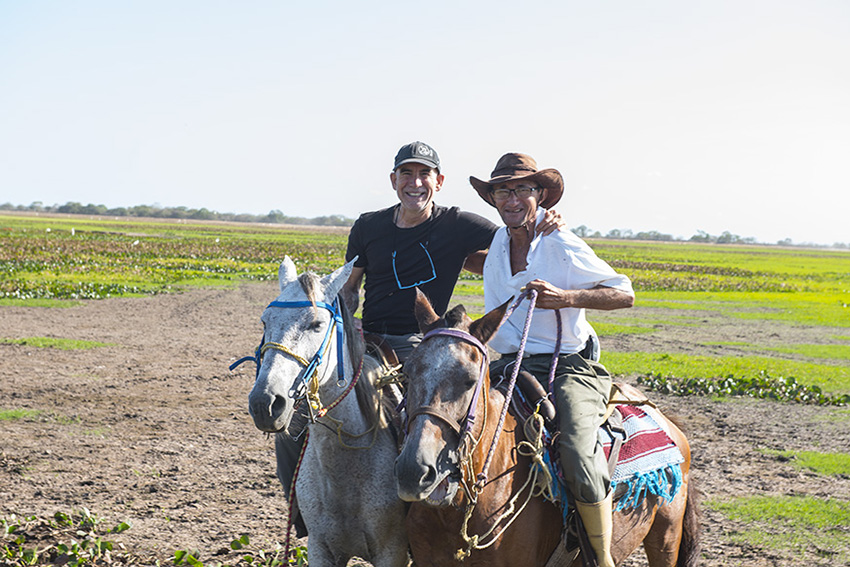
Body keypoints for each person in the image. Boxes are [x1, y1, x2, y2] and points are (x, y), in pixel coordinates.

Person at [470, 152, 634, 567]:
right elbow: (476, 262)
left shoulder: (560, 243)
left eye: (522, 189)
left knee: (577, 452)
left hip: (567, 365)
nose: (511, 198)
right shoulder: (497, 241)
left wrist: (566, 298)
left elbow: (623, 293)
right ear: (492, 198)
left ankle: (600, 556)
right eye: (502, 190)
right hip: (509, 363)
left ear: (539, 194)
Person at [341, 141, 562, 362]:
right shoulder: (368, 226)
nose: (415, 183)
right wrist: (348, 322)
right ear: (394, 180)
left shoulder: (456, 225)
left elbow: (513, 244)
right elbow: (349, 288)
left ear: (439, 182)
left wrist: (544, 219)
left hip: (422, 339)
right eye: (406, 173)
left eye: (425, 174)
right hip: (368, 337)